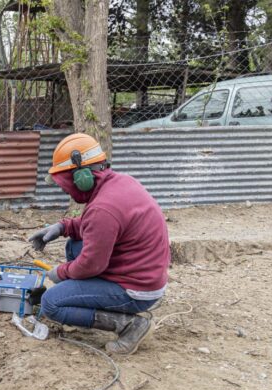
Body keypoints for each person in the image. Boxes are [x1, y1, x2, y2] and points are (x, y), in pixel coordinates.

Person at [30, 133, 170, 354]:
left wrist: (61, 273)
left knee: (51, 303)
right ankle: (84, 301)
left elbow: (91, 264)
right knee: (74, 245)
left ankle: (130, 325)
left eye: (64, 182)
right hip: (142, 275)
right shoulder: (120, 183)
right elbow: (94, 227)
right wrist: (62, 227)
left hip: (136, 289)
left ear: (81, 177)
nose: (63, 189)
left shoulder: (103, 208)